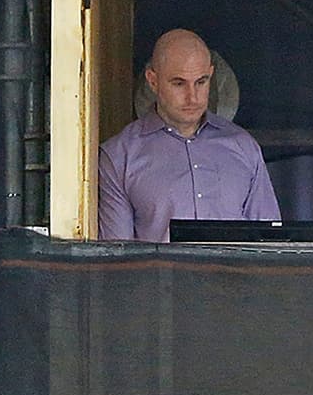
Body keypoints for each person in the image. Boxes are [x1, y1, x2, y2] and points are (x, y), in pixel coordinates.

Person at [98, 29, 280, 242]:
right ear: (152, 81)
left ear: (211, 75)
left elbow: (269, 244)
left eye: (201, 82)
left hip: (234, 276)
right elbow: (117, 258)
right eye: (179, 83)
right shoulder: (119, 157)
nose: (192, 97)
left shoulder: (244, 147)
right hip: (158, 276)